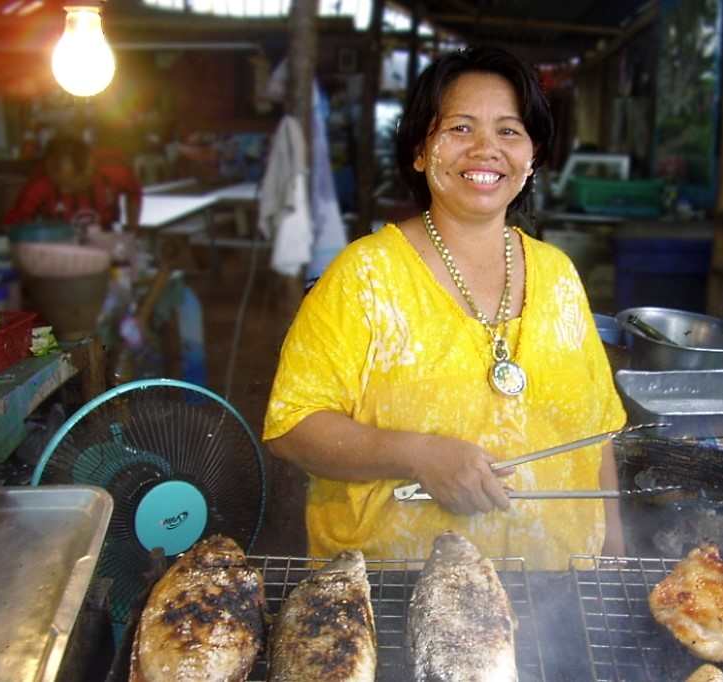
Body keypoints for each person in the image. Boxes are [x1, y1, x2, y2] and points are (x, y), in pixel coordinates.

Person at [264, 46, 626, 569]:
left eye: (508, 131)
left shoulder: (559, 275)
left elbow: (599, 432)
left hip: (558, 591)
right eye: (459, 128)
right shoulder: (365, 277)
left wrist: (613, 559)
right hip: (395, 595)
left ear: (532, 156)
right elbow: (292, 428)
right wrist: (417, 455)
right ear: (419, 150)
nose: (486, 149)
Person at [4, 135, 142, 233]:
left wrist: (132, 229)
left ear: (89, 170)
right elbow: (15, 224)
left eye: (70, 182)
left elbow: (134, 193)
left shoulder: (113, 171)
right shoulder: (39, 184)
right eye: (59, 181)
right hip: (59, 247)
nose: (64, 189)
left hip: (106, 239)